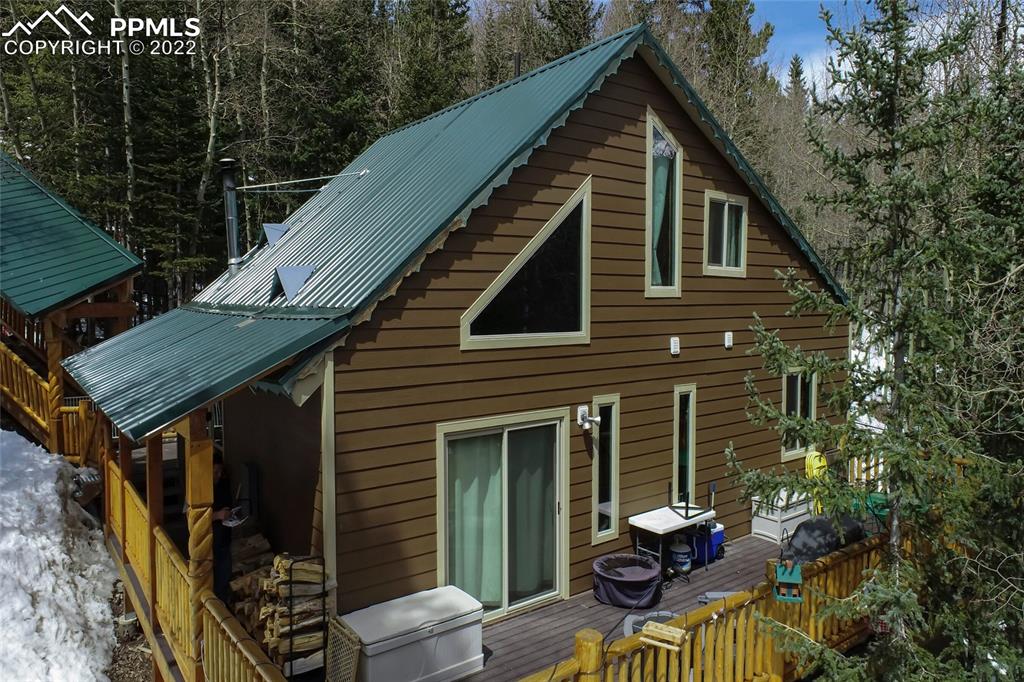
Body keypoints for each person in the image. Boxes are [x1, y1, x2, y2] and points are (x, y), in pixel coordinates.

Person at [211, 450, 233, 603]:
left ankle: (223, 603)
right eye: (216, 471)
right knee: (212, 577)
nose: (219, 475)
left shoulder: (223, 485)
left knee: (224, 575)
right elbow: (191, 517)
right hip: (209, 542)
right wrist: (217, 515)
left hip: (224, 538)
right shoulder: (197, 488)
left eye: (221, 471)